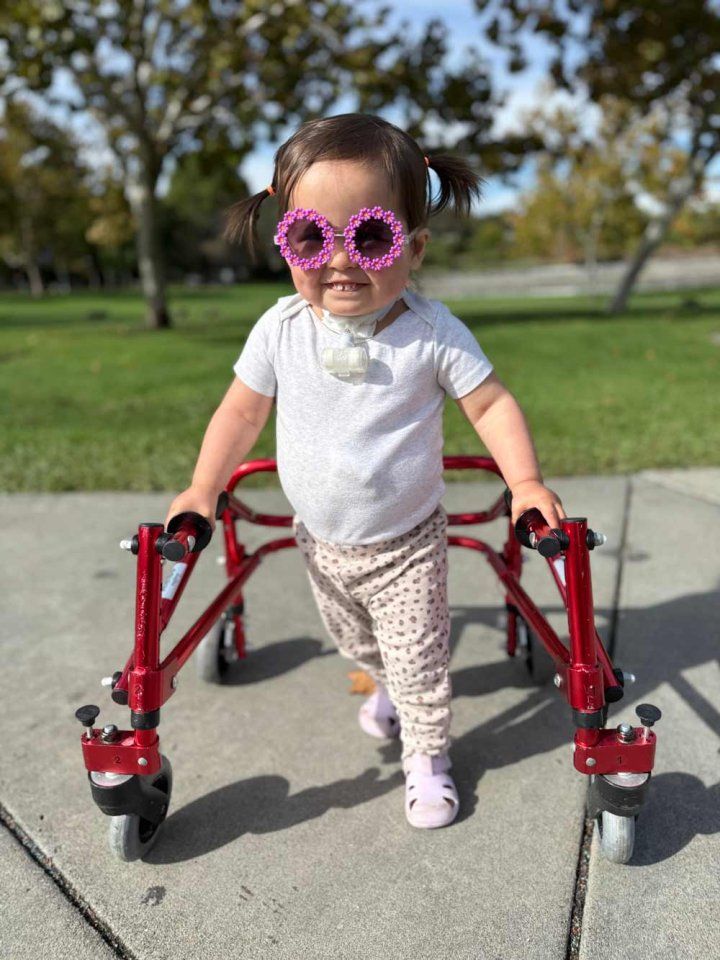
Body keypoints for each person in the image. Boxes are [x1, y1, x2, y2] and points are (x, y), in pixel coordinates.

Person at [165, 113, 566, 830]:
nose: (341, 260)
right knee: (357, 644)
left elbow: (492, 404)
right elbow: (238, 416)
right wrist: (203, 486)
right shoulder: (280, 329)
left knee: (417, 660)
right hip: (320, 541)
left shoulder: (431, 332)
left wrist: (527, 482)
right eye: (313, 237)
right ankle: (386, 686)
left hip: (406, 542)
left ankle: (428, 759)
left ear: (412, 248)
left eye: (372, 236)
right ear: (283, 240)